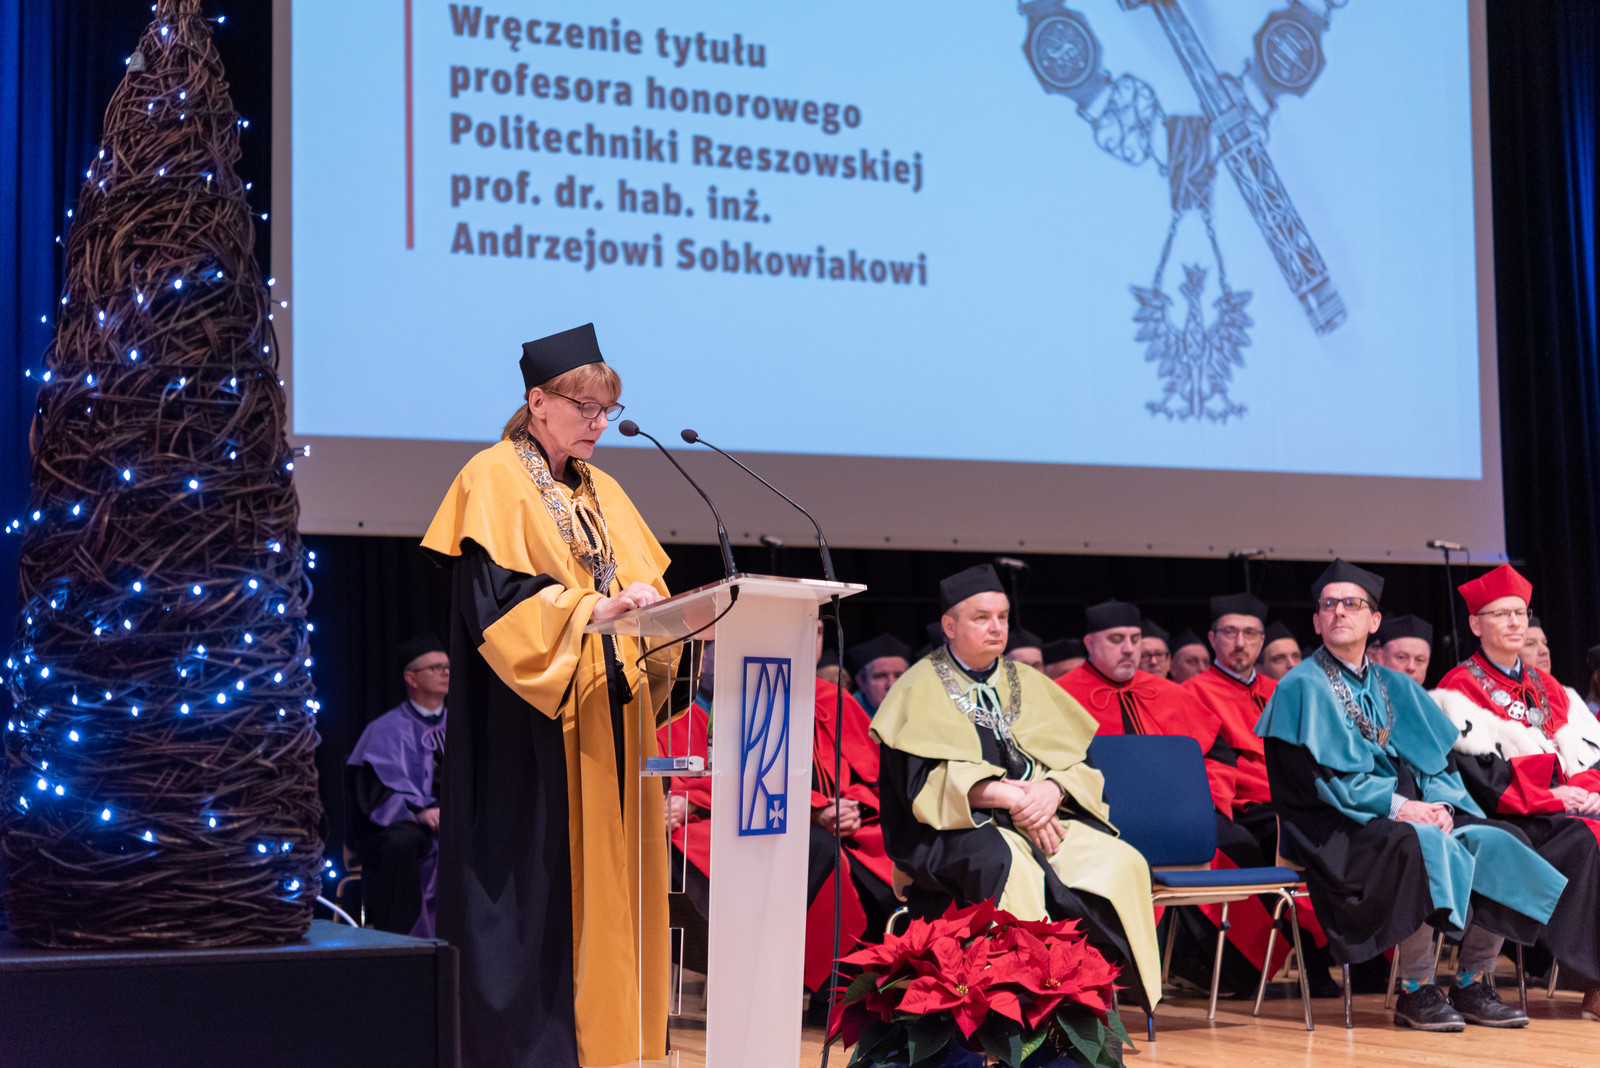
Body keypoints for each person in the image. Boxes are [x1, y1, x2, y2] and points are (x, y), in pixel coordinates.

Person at [421, 323, 676, 1067]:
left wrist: (652, 613)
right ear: (538, 401)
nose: (599, 423)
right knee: (534, 881)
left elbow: (649, 591)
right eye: (585, 407)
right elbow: (493, 604)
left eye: (608, 409)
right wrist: (592, 610)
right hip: (530, 718)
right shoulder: (492, 476)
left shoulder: (604, 490)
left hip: (609, 711)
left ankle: (617, 1040)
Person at [1257, 560, 1566, 1032]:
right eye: (1329, 605)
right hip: (1338, 828)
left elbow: (1437, 763)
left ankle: (1472, 981)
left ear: (1373, 620)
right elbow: (1317, 781)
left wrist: (1443, 807)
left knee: (1502, 841)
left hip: (1410, 815)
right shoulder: (1300, 687)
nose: (1340, 612)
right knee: (1419, 845)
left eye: (1352, 604)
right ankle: (1415, 989)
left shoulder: (1395, 685)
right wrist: (1401, 808)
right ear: (1317, 621)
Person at [871, 565, 1163, 1013]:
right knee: (1009, 864)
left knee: (1122, 862)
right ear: (949, 626)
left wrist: (1053, 791)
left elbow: (1079, 764)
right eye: (981, 618)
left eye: (1003, 617)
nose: (996, 627)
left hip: (1042, 814)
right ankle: (1022, 1008)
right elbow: (918, 784)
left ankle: (1099, 998)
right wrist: (1007, 796)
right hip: (955, 828)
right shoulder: (916, 687)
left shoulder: (1028, 680)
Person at [1433, 565, 1600, 1019]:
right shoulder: (1459, 687)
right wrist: (1554, 798)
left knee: (1590, 828)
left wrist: (1585, 792)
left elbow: (1585, 755)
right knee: (1585, 840)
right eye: (1500, 614)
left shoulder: (1548, 687)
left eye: (1520, 613)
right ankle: (1593, 982)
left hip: (1559, 810)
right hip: (1503, 814)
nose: (1513, 622)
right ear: (1475, 624)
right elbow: (1482, 780)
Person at [345, 633, 450, 937]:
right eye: (436, 668)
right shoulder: (384, 729)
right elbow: (371, 792)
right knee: (398, 844)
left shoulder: (462, 726)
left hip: (455, 822)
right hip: (405, 824)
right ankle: (400, 940)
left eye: (447, 667)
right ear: (411, 678)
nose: (445, 673)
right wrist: (418, 811)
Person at [1186, 595, 1277, 823]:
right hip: (1242, 808)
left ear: (1262, 641)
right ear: (1212, 638)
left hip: (1292, 802)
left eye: (1250, 633)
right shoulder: (1191, 693)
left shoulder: (1281, 691)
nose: (1240, 643)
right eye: (1229, 632)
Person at [846, 633, 912, 717]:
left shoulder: (919, 710)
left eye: (899, 676)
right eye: (880, 676)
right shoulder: (845, 716)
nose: (891, 685)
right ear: (861, 682)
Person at [1369, 614, 1433, 686]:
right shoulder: (1362, 692)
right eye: (1401, 657)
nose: (1411, 667)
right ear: (1379, 658)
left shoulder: (1437, 693)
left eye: (1419, 660)